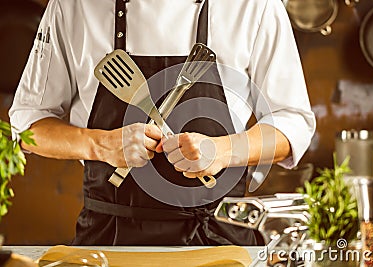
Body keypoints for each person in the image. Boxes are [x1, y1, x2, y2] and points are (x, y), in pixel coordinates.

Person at [9, 0, 315, 246]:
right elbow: (28, 123)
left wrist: (223, 150)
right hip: (109, 239)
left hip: (221, 240)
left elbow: (293, 122)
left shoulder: (253, 5)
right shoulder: (74, 6)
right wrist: (99, 144)